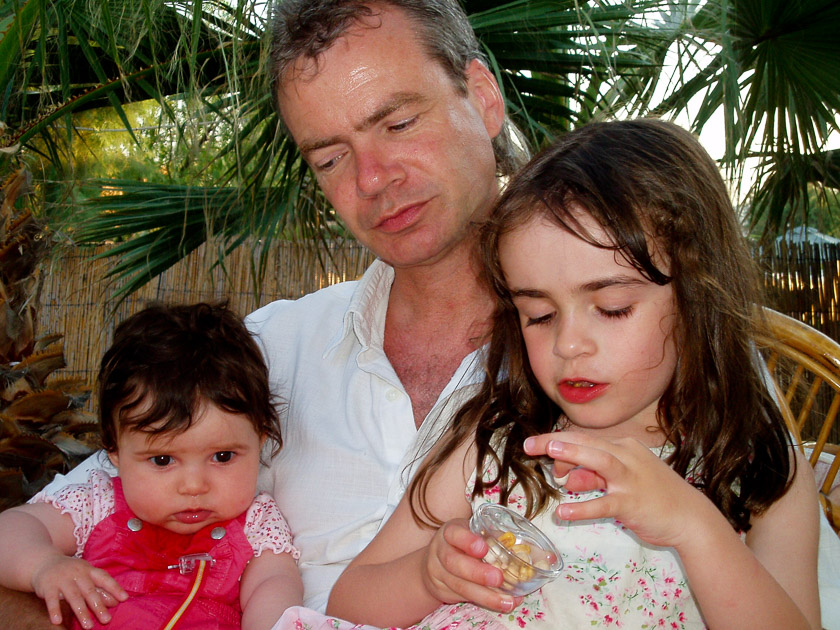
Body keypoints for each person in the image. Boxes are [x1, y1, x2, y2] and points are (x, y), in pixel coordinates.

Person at [0, 1, 526, 625]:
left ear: (483, 98)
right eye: (329, 158)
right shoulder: (261, 355)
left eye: (399, 123)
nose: (371, 178)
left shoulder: (594, 364)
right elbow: (48, 539)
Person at [324, 119, 822, 629]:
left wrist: (694, 526)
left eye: (612, 308)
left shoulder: (757, 467)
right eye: (539, 315)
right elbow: (349, 600)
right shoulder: (496, 442)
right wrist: (427, 578)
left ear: (698, 298)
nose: (567, 344)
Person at [0, 302, 303, 629]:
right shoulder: (97, 504)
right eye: (162, 460)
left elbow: (274, 586)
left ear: (260, 439)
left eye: (223, 456)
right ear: (114, 450)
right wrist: (43, 565)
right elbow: (12, 528)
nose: (194, 486)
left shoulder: (257, 525)